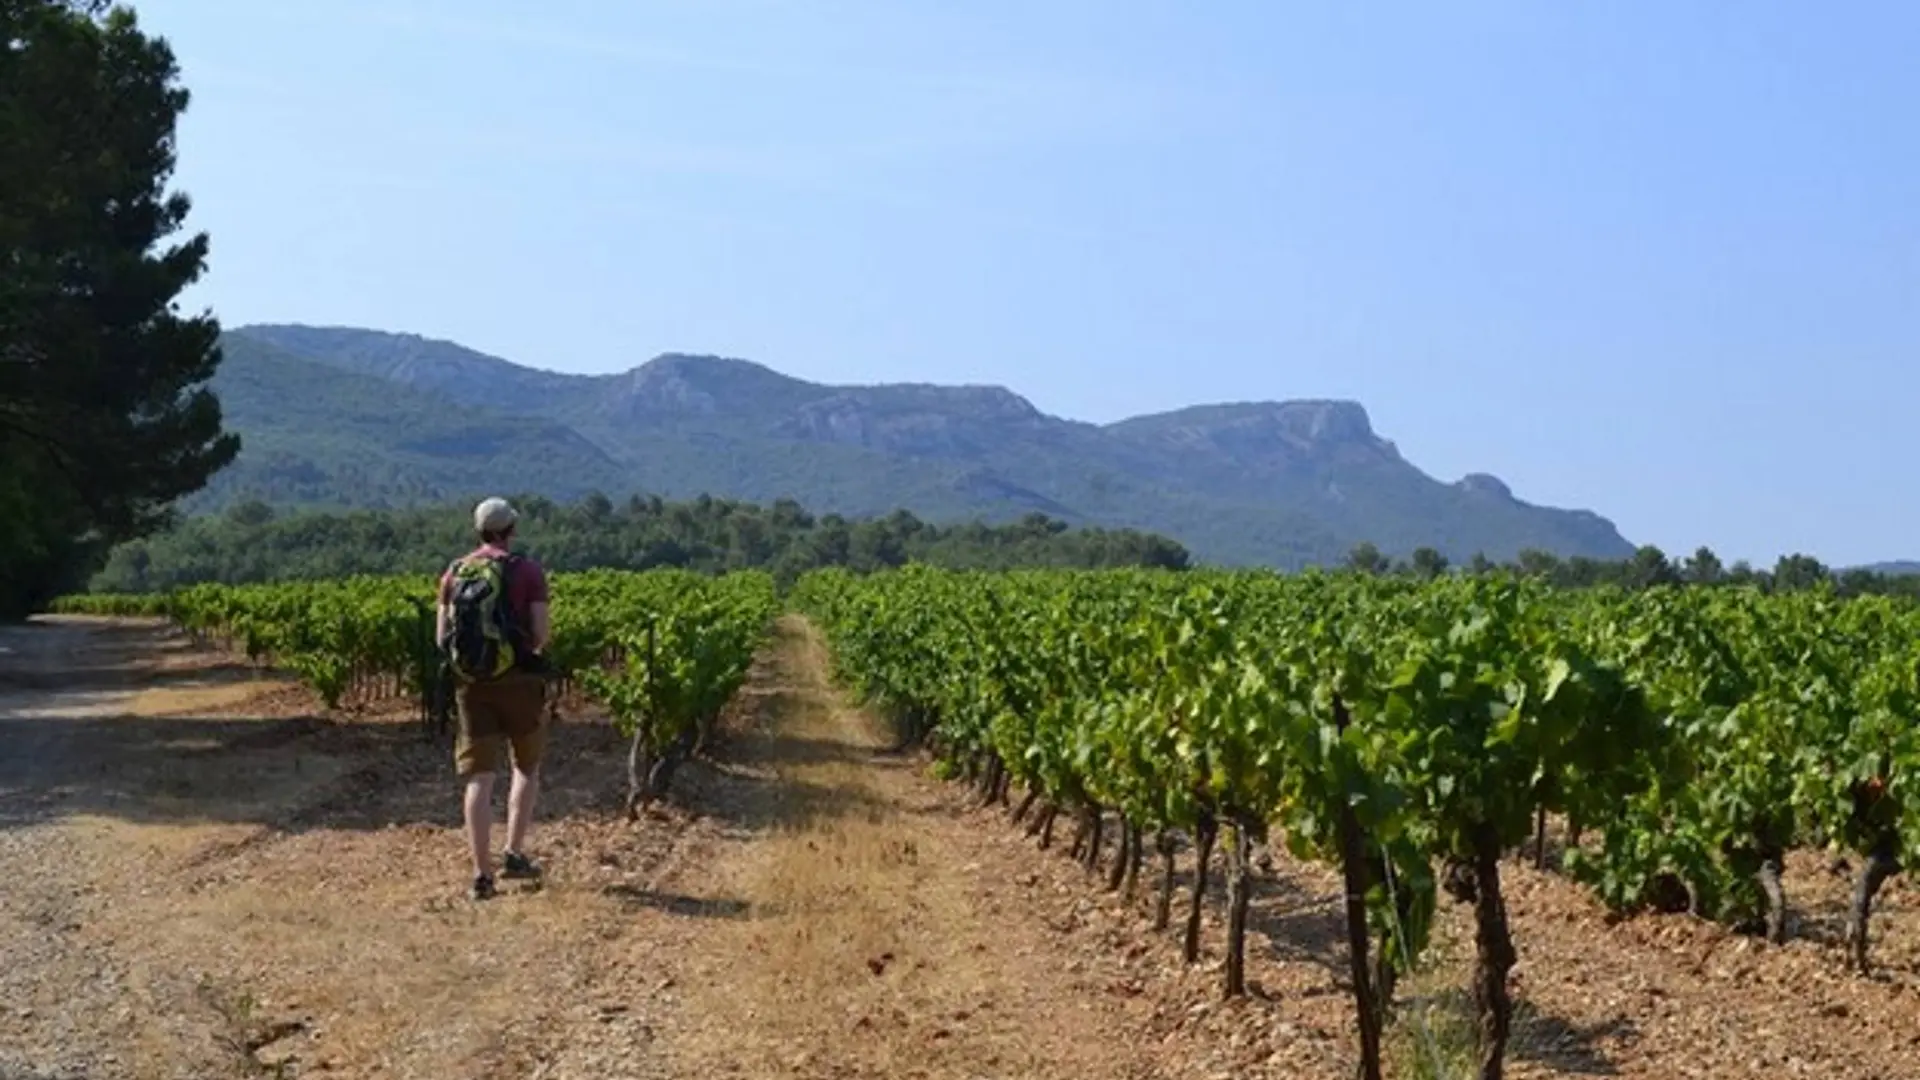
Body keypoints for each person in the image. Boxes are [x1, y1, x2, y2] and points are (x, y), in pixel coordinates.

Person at [436, 497, 551, 900]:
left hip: (471, 686)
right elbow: (539, 636)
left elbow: (441, 639)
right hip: (519, 681)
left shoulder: (455, 572)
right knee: (526, 766)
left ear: (479, 530)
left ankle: (482, 875)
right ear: (511, 530)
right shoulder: (527, 572)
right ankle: (514, 852)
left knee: (479, 778)